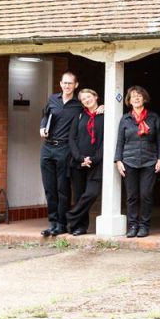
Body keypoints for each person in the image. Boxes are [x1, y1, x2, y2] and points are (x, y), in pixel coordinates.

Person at [114, 86, 160, 238]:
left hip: (149, 161)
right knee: (132, 196)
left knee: (146, 194)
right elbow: (120, 141)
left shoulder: (153, 117)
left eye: (139, 96)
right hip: (129, 161)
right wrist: (118, 160)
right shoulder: (125, 119)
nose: (136, 98)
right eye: (133, 96)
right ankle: (133, 226)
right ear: (129, 101)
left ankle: (144, 226)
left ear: (144, 98)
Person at [39, 71, 83, 237]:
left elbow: (91, 112)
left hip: (65, 149)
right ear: (60, 83)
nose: (66, 86)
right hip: (47, 147)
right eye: (64, 83)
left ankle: (62, 224)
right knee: (49, 188)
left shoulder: (79, 105)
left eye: (70, 83)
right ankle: (53, 223)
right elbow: (45, 115)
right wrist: (42, 126)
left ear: (75, 85)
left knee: (62, 188)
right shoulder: (53, 99)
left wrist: (102, 107)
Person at [65, 88, 104, 236]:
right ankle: (80, 226)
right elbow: (72, 138)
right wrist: (80, 158)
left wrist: (94, 159)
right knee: (80, 195)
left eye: (89, 97)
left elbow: (105, 141)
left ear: (96, 96)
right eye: (83, 99)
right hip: (79, 162)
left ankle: (70, 216)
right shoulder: (79, 116)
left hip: (96, 163)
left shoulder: (104, 115)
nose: (87, 100)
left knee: (91, 193)